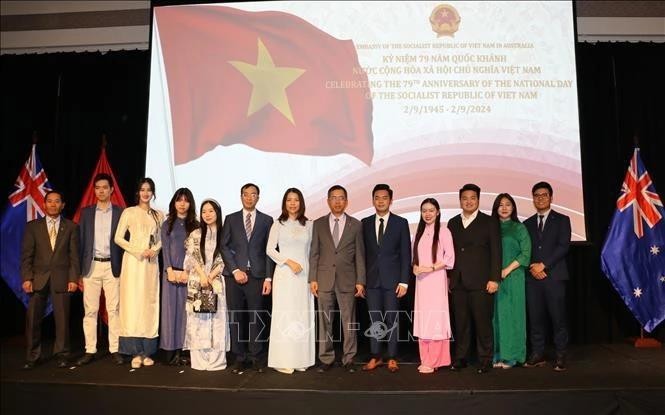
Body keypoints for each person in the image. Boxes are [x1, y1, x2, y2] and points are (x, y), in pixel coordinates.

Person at [309, 185, 366, 373]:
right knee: (325, 321)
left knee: (349, 321)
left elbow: (359, 255)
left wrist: (360, 281)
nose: (337, 201)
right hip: (324, 279)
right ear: (328, 201)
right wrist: (313, 278)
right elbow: (314, 253)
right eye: (334, 198)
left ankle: (349, 358)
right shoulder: (318, 224)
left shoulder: (356, 224)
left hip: (348, 280)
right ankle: (326, 358)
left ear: (347, 201)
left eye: (341, 198)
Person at [21, 190, 80, 369]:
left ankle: (62, 354)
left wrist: (73, 279)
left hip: (62, 278)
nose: (53, 204)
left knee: (62, 320)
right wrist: (27, 278)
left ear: (62, 205)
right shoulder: (32, 226)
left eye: (57, 201)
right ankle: (33, 356)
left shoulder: (71, 227)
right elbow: (26, 256)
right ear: (44, 205)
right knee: (33, 320)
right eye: (50, 201)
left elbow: (74, 256)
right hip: (38, 279)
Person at [447, 183, 501, 374]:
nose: (468, 201)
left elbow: (496, 251)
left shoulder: (489, 221)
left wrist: (495, 278)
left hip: (481, 281)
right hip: (459, 281)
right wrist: (448, 277)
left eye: (472, 198)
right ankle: (460, 358)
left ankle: (485, 359)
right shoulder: (452, 222)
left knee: (483, 323)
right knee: (461, 323)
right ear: (460, 200)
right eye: (465, 198)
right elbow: (449, 253)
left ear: (478, 200)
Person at [221, 183, 274, 374]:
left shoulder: (267, 220)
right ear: (240, 196)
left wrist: (269, 277)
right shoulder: (231, 219)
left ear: (258, 197)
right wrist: (235, 270)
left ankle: (256, 356)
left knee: (256, 318)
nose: (249, 198)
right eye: (246, 194)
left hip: (257, 275)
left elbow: (269, 252)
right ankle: (239, 357)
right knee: (236, 317)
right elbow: (224, 246)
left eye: (253, 194)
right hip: (234, 276)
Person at [360, 184, 411, 373]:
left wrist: (404, 281)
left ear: (391, 200)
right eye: (377, 198)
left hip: (393, 281)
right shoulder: (364, 223)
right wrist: (361, 280)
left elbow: (406, 254)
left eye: (384, 198)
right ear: (373, 200)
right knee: (374, 321)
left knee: (392, 320)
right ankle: (376, 356)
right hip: (372, 281)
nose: (380, 201)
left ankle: (392, 357)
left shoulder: (401, 223)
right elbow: (362, 254)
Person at [114, 178, 164, 369]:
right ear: (138, 192)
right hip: (133, 263)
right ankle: (135, 351)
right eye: (142, 189)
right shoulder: (129, 212)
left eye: (149, 190)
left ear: (153, 193)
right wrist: (137, 250)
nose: (145, 193)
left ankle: (148, 351)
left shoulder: (158, 215)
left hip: (150, 265)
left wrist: (155, 250)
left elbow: (161, 240)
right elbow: (118, 238)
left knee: (149, 305)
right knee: (133, 305)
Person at [76, 173, 124, 366]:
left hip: (113, 266)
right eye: (98, 188)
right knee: (90, 310)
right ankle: (90, 350)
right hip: (92, 266)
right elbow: (81, 241)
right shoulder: (86, 212)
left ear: (112, 190)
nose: (101, 191)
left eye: (105, 187)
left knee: (114, 310)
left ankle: (115, 349)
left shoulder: (121, 212)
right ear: (94, 190)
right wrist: (79, 270)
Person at [523, 182, 571, 371]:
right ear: (532, 198)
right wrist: (533, 268)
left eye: (544, 195)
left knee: (558, 318)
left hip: (555, 277)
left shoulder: (562, 220)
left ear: (551, 197)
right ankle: (538, 353)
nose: (540, 198)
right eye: (536, 195)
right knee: (535, 318)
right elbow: (524, 251)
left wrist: (544, 265)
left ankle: (561, 354)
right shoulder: (526, 224)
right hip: (532, 278)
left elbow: (563, 246)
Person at [266, 188, 315, 374]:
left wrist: (312, 277)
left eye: (296, 200)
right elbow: (270, 250)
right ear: (284, 203)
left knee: (302, 315)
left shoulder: (309, 225)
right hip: (285, 274)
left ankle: (301, 359)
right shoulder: (278, 224)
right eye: (289, 200)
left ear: (301, 203)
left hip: (304, 276)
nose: (292, 203)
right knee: (285, 315)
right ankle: (283, 359)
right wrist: (288, 261)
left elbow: (312, 252)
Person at [183, 199, 230, 370]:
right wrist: (202, 275)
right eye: (204, 211)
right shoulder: (195, 233)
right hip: (197, 280)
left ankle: (216, 361)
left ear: (217, 212)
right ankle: (199, 361)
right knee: (198, 320)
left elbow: (225, 258)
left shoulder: (225, 233)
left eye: (211, 211)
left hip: (216, 281)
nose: (207, 214)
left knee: (217, 321)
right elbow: (191, 257)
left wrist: (211, 276)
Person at [412, 198, 455, 373]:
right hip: (421, 283)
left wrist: (430, 268)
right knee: (424, 319)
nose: (427, 214)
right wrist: (415, 268)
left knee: (436, 318)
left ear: (438, 212)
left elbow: (449, 258)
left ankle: (435, 360)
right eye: (424, 210)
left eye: (431, 210)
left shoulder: (444, 232)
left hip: (436, 279)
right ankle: (426, 358)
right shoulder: (418, 233)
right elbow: (413, 258)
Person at [490, 193, 531, 369]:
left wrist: (507, 269)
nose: (504, 208)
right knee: (496, 317)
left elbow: (526, 253)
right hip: (494, 279)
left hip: (513, 277)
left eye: (508, 204)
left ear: (513, 207)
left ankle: (512, 356)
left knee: (513, 316)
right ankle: (497, 354)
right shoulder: (491, 228)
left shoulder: (519, 228)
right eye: (500, 205)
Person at [160, 188, 199, 366]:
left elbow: (197, 253)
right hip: (171, 274)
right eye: (179, 200)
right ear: (174, 203)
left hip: (189, 276)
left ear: (190, 203)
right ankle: (170, 351)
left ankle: (185, 351)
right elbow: (165, 249)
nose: (182, 204)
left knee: (187, 313)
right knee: (170, 313)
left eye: (186, 200)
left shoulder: (196, 226)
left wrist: (188, 271)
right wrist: (169, 270)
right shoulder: (167, 224)